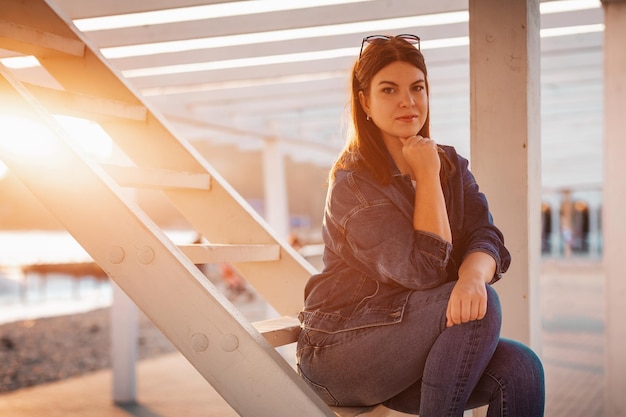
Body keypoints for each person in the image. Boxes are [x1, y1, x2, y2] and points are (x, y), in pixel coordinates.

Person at [296, 34, 545, 417]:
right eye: (389, 90)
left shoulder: (452, 165)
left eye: (417, 87)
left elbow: (486, 235)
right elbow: (424, 270)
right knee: (478, 306)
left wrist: (473, 277)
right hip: (341, 350)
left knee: (521, 368)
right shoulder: (354, 184)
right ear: (365, 101)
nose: (407, 101)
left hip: (418, 350)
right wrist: (426, 176)